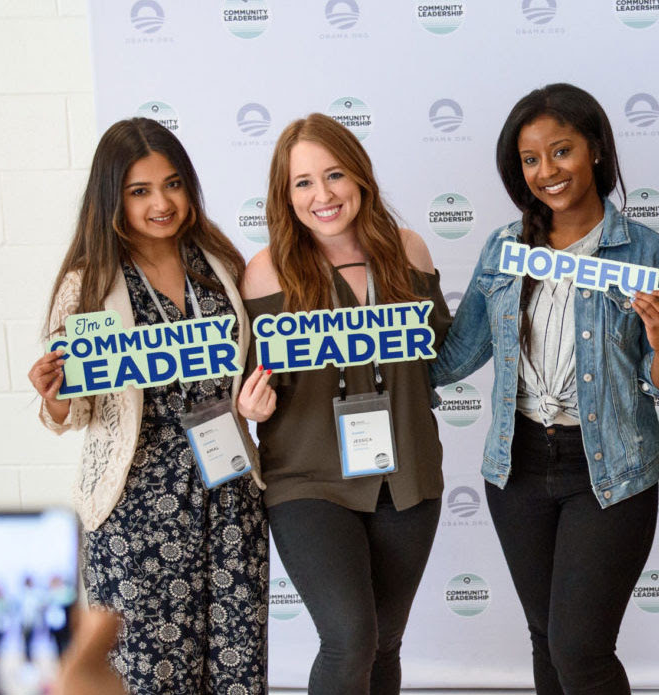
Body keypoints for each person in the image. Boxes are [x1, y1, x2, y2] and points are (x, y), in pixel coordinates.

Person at [432, 83, 659, 695]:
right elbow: (456, 356)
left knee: (581, 649)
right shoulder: (505, 248)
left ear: (596, 150)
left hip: (607, 473)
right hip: (516, 466)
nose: (546, 172)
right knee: (546, 638)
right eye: (530, 159)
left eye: (561, 151)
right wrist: (373, 338)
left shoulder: (651, 255)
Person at [27, 118, 268, 694]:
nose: (162, 202)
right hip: (134, 510)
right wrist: (57, 398)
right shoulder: (89, 283)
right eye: (140, 191)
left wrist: (258, 402)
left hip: (229, 497)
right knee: (149, 677)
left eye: (173, 183)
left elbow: (254, 366)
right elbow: (75, 412)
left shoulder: (222, 264)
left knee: (238, 670)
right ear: (112, 198)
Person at [236, 113, 451, 695]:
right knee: (350, 637)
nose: (322, 195)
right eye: (303, 182)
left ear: (359, 176)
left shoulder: (409, 251)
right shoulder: (266, 271)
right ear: (286, 195)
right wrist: (250, 408)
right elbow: (252, 382)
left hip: (406, 477)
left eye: (333, 175)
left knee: (384, 641)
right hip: (308, 481)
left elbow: (439, 357)